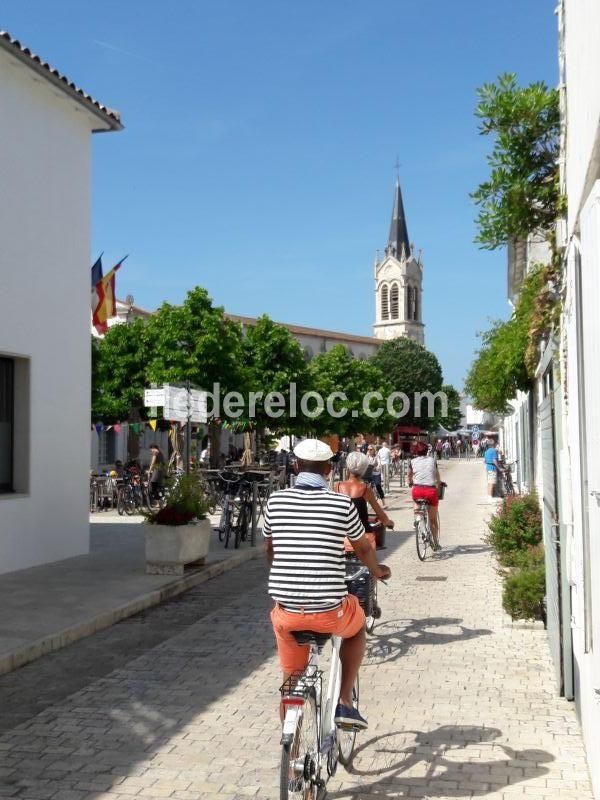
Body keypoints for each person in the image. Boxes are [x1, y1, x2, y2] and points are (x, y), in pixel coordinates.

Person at [263, 439, 391, 731]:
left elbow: (271, 548)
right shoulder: (340, 503)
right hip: (329, 610)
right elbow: (361, 548)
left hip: (287, 611)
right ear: (329, 469)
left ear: (295, 466)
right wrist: (377, 571)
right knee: (357, 625)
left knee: (292, 678)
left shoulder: (276, 501)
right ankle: (345, 701)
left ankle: (291, 751)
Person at [335, 451, 394, 549]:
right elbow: (379, 513)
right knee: (373, 564)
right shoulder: (365, 489)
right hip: (362, 537)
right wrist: (388, 522)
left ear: (348, 466)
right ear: (364, 468)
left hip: (341, 538)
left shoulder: (337, 486)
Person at [408, 441, 442, 550]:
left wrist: (410, 482)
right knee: (433, 520)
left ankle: (418, 519)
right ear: (427, 450)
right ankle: (435, 543)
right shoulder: (432, 460)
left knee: (416, 501)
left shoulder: (412, 461)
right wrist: (439, 483)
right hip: (430, 491)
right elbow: (437, 476)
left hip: (417, 490)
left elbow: (409, 475)